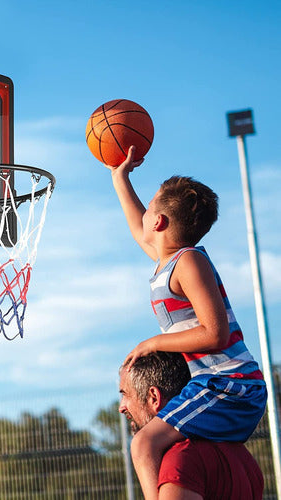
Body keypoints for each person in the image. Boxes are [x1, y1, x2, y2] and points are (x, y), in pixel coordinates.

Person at [106, 146, 267, 500]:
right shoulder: (167, 262)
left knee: (143, 445)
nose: (143, 215)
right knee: (166, 448)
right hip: (216, 383)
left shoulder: (189, 261)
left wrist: (152, 342)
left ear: (160, 222)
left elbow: (215, 333)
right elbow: (138, 228)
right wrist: (120, 178)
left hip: (232, 384)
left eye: (149, 208)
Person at [119, 352, 264, 499]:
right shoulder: (243, 457)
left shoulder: (181, 461)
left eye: (125, 394)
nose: (121, 407)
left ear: (154, 397)